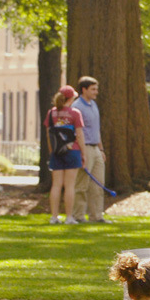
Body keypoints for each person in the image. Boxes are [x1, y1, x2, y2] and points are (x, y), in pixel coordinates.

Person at [45, 85, 87, 224]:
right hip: (72, 150)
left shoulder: (51, 113)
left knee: (56, 185)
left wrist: (52, 151)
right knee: (70, 185)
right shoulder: (75, 113)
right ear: (71, 98)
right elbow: (79, 135)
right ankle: (69, 217)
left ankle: (54, 217)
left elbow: (48, 134)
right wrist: (83, 153)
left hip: (57, 152)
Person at [71, 76, 110, 224]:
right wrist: (80, 152)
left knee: (98, 184)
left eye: (96, 89)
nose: (96, 92)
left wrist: (101, 149)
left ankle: (96, 216)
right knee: (81, 184)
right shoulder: (77, 107)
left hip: (95, 148)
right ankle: (78, 215)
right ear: (84, 89)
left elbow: (96, 129)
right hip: (84, 148)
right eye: (93, 89)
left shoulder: (93, 105)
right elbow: (75, 131)